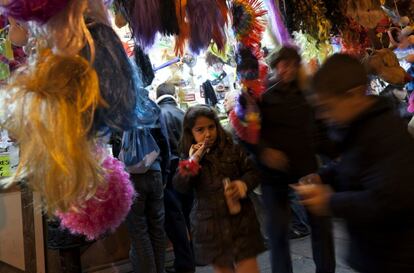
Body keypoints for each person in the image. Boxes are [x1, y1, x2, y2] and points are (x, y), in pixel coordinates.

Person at [294, 54, 414, 273]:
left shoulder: (386, 132)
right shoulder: (357, 126)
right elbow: (354, 165)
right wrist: (323, 176)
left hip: (395, 258)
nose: (323, 116)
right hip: (371, 253)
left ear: (354, 95)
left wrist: (330, 202)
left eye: (327, 107)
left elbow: (389, 201)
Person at [257, 46, 335, 273]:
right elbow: (249, 133)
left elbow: (319, 132)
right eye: (283, 64)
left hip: (307, 173)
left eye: (293, 64)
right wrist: (264, 151)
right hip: (275, 179)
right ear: (275, 66)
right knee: (279, 235)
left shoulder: (308, 95)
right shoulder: (263, 97)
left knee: (322, 227)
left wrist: (336, 152)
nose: (288, 69)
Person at [173, 105, 265, 273]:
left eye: (211, 127)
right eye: (200, 130)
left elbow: (253, 172)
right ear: (190, 132)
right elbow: (180, 185)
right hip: (211, 229)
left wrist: (243, 184)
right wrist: (194, 160)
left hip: (241, 222)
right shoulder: (188, 156)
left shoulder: (232, 148)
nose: (208, 134)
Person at [156, 82, 195, 273]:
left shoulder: (159, 114)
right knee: (187, 216)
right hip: (187, 172)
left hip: (171, 175)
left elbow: (164, 149)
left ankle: (185, 264)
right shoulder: (184, 114)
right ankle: (192, 257)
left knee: (175, 221)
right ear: (173, 95)